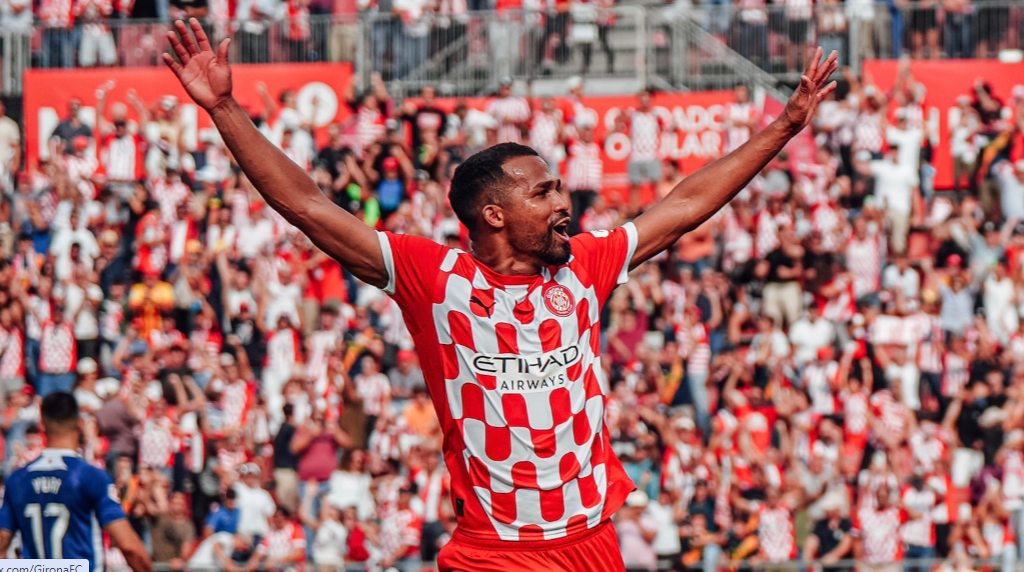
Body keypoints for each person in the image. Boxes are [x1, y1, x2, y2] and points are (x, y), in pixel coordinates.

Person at [162, 19, 837, 571]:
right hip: (496, 553)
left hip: (592, 541)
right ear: (493, 214)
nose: (563, 202)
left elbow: (685, 205)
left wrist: (784, 126)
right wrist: (224, 109)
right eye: (543, 192)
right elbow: (310, 207)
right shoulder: (435, 279)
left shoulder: (585, 266)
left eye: (558, 188)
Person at [0, 392, 154, 572]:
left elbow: (2, 544)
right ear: (80, 423)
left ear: (42, 425)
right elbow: (129, 547)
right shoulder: (90, 476)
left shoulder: (18, 479)